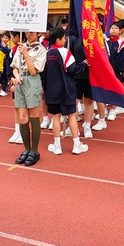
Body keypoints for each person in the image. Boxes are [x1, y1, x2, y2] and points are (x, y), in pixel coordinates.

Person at [43, 28, 88, 156]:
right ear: (58, 40)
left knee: (56, 117)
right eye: (64, 38)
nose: (65, 40)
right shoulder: (65, 52)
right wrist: (83, 64)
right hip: (67, 90)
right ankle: (76, 145)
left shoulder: (46, 53)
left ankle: (57, 146)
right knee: (72, 116)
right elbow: (73, 69)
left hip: (52, 90)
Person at [11, 30, 47, 166]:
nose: (28, 34)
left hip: (32, 80)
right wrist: (16, 76)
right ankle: (26, 149)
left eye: (31, 32)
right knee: (22, 117)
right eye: (27, 32)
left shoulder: (41, 49)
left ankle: (35, 151)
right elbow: (14, 66)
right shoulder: (21, 46)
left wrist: (25, 54)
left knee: (33, 114)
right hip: (20, 81)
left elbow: (33, 71)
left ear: (38, 33)